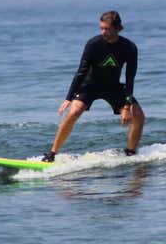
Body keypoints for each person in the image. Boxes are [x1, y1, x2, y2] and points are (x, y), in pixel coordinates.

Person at [42, 10, 145, 162]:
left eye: (107, 29)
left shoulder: (129, 47)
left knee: (138, 116)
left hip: (113, 87)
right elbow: (81, 71)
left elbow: (130, 77)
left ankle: (130, 152)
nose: (103, 32)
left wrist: (127, 104)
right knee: (73, 112)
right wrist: (69, 97)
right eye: (101, 28)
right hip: (90, 85)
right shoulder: (93, 44)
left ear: (117, 28)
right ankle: (52, 154)